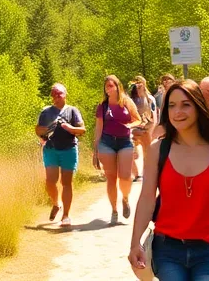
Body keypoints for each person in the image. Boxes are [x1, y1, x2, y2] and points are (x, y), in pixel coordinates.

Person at [128, 80, 209, 281]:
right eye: (172, 105)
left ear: (199, 107)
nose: (177, 112)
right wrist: (135, 243)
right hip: (167, 250)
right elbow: (147, 199)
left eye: (185, 104)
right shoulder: (158, 150)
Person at [93, 74, 141, 225]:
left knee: (126, 177)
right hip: (106, 143)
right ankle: (114, 210)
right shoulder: (103, 106)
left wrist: (130, 126)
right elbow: (98, 128)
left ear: (117, 86)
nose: (109, 88)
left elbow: (137, 118)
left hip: (124, 141)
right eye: (106, 86)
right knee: (111, 178)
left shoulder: (126, 102)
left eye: (111, 85)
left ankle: (125, 199)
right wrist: (95, 151)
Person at [36, 83, 85, 226]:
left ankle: (66, 215)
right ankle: (56, 204)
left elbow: (82, 129)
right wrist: (46, 129)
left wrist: (70, 128)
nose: (57, 96)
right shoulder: (45, 112)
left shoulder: (72, 111)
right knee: (50, 182)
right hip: (51, 149)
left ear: (65, 94)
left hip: (69, 149)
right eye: (54, 94)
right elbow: (38, 130)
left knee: (66, 183)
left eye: (59, 93)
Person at [130, 77, 158, 182]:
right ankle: (136, 174)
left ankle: (148, 173)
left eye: (140, 82)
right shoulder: (131, 99)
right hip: (135, 128)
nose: (138, 85)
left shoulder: (150, 99)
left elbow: (154, 116)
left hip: (147, 127)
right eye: (136, 82)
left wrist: (151, 130)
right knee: (132, 152)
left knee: (147, 152)